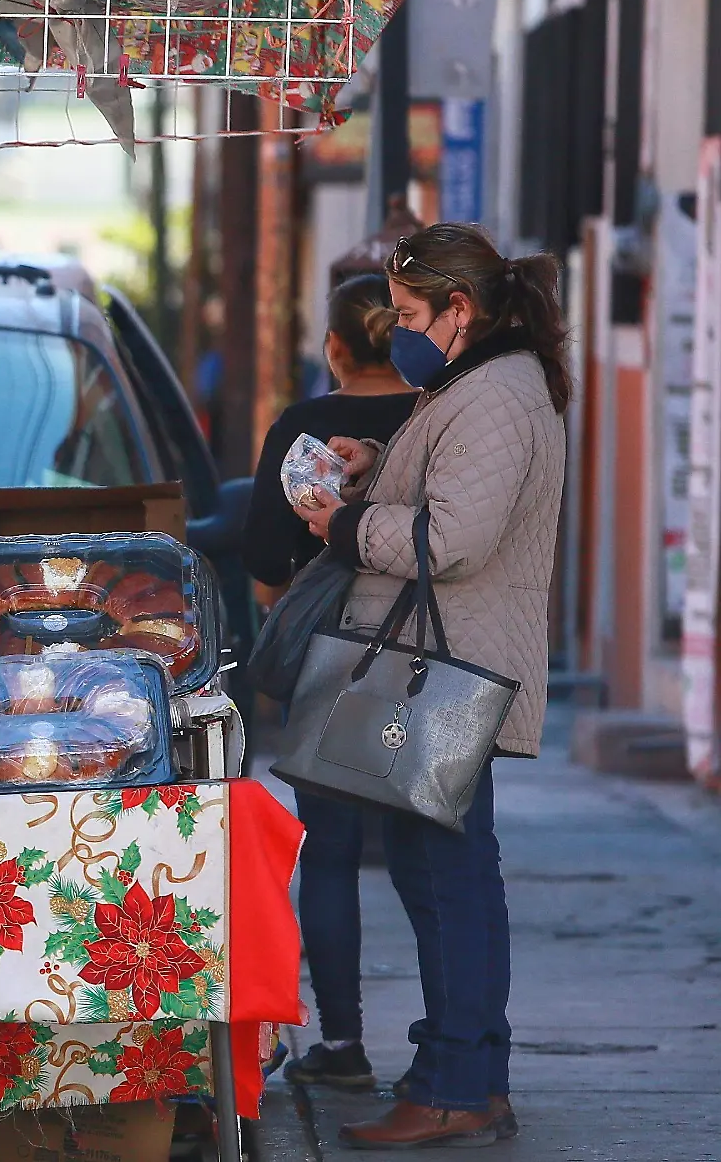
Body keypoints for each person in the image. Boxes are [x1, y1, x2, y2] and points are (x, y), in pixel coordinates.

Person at [295, 223, 569, 1150]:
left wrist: (346, 525)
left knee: (446, 877)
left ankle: (455, 1081)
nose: (398, 330)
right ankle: (464, 1071)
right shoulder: (472, 383)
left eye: (411, 313)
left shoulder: (495, 392)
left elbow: (452, 540)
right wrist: (381, 469)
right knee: (441, 871)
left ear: (461, 309)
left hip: (445, 667)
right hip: (440, 660)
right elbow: (448, 496)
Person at [244, 275, 419, 1095]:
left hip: (332, 657)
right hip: (432, 658)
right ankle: (454, 1047)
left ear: (336, 348)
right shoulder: (436, 420)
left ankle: (342, 1040)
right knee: (442, 853)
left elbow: (266, 568)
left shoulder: (304, 430)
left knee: (333, 854)